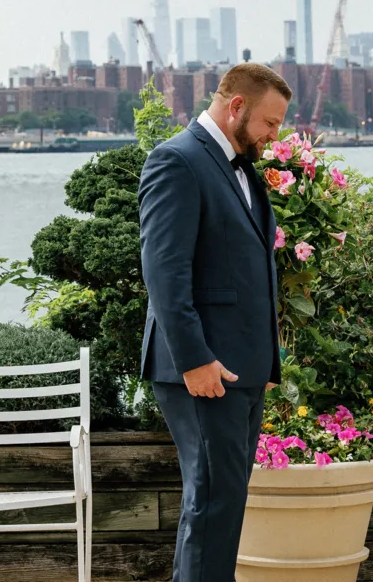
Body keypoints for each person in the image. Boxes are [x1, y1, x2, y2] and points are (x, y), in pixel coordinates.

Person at [138, 63, 292, 582]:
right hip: (204, 369)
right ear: (237, 107)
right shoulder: (177, 161)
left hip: (241, 370)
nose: (276, 135)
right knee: (211, 502)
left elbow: (250, 273)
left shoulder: (241, 167)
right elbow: (165, 275)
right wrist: (196, 359)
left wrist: (267, 360)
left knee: (223, 504)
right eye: (271, 123)